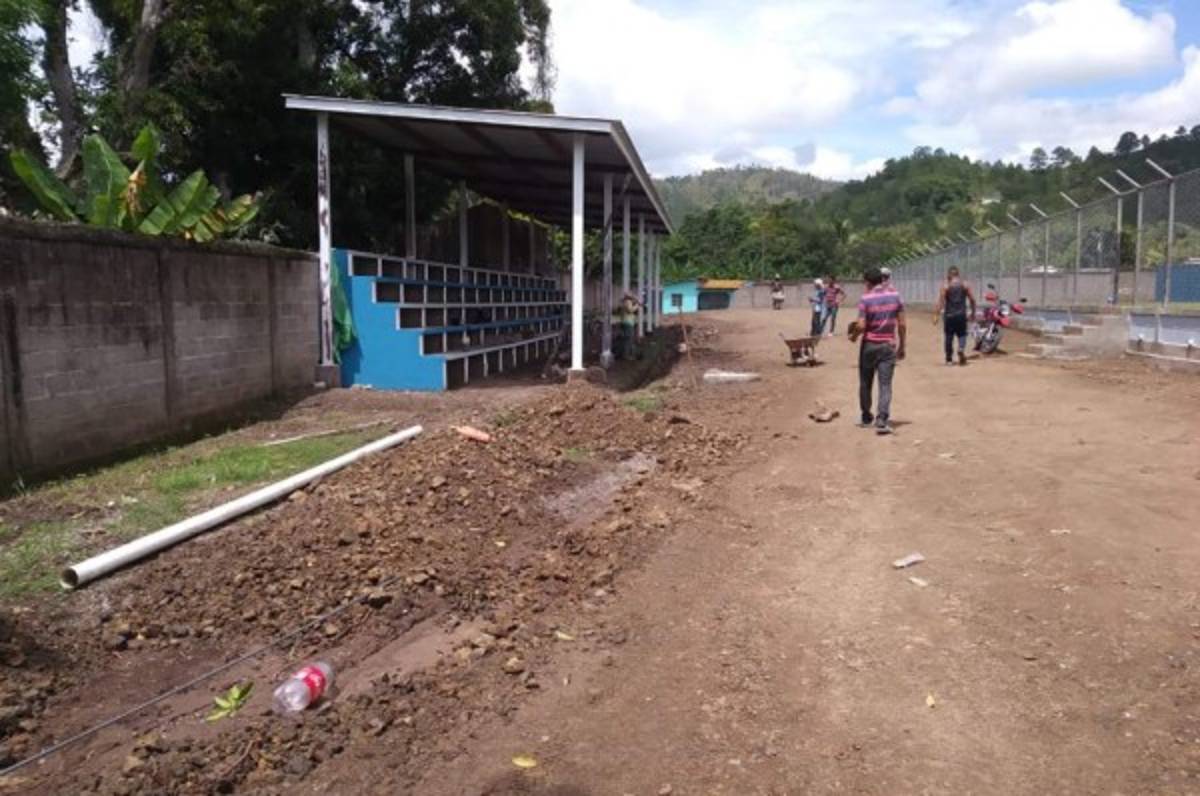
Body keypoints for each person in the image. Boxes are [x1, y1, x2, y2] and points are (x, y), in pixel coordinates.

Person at [849, 266, 906, 435]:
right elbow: (902, 324)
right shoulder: (896, 296)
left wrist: (853, 337)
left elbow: (861, 325)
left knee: (866, 382)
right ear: (882, 279)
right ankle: (882, 419)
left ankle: (867, 417)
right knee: (885, 384)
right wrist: (902, 346)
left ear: (867, 282)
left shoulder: (865, 299)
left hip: (869, 346)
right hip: (888, 346)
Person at [933, 265, 976, 366]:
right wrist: (973, 312)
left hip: (949, 315)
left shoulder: (945, 286)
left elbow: (941, 302)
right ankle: (961, 348)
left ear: (949, 275)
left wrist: (936, 315)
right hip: (961, 314)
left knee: (949, 336)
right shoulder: (965, 284)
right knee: (962, 334)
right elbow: (972, 300)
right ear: (958, 274)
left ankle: (949, 360)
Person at [618, 290, 641, 361]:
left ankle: (627, 354)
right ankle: (626, 356)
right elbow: (630, 310)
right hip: (628, 323)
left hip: (624, 322)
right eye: (632, 295)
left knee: (626, 339)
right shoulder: (628, 302)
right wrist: (637, 306)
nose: (633, 296)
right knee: (628, 339)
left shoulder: (624, 302)